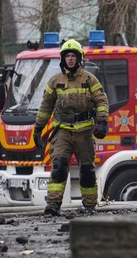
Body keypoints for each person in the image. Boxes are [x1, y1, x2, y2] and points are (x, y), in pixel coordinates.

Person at [34, 39, 109, 216]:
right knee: (59, 165)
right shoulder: (55, 81)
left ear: (79, 58)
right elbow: (45, 107)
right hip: (62, 131)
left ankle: (90, 205)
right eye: (67, 56)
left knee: (87, 170)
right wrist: (38, 128)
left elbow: (101, 101)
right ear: (62, 58)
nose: (70, 59)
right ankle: (53, 204)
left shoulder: (90, 80)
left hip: (84, 131)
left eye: (73, 56)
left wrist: (102, 121)